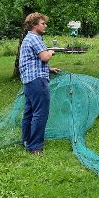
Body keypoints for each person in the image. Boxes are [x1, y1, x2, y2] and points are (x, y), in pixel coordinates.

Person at [19, 12, 60, 154]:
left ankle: (26, 140)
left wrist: (49, 70)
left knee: (29, 112)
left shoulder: (27, 39)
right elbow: (44, 57)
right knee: (40, 113)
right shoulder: (35, 38)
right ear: (34, 25)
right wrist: (51, 51)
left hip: (29, 81)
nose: (45, 26)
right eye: (43, 23)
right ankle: (35, 146)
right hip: (37, 82)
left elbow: (31, 62)